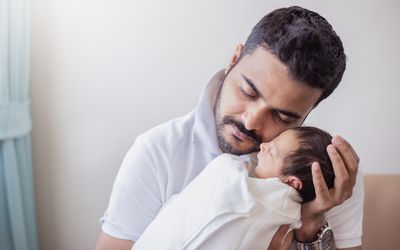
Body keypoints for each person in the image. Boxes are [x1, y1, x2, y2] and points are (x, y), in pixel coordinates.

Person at [95, 6, 363, 250]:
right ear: (234, 58)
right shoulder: (157, 152)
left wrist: (310, 227)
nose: (250, 122)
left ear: (308, 112)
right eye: (248, 91)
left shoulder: (326, 174)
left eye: (282, 116)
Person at [132, 127, 335, 250]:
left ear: (291, 183)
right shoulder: (156, 146)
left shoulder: (278, 208)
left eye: (272, 150)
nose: (263, 146)